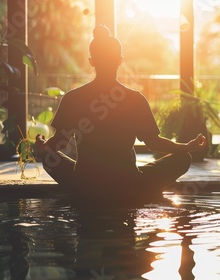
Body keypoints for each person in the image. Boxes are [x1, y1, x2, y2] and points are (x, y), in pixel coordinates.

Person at [35, 25, 207, 202]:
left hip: (85, 183)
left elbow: (58, 144)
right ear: (119, 60)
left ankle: (88, 193)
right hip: (128, 184)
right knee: (182, 159)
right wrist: (186, 147)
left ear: (91, 61)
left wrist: (43, 146)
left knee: (49, 158)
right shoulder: (135, 99)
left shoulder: (73, 98)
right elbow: (153, 143)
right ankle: (142, 192)